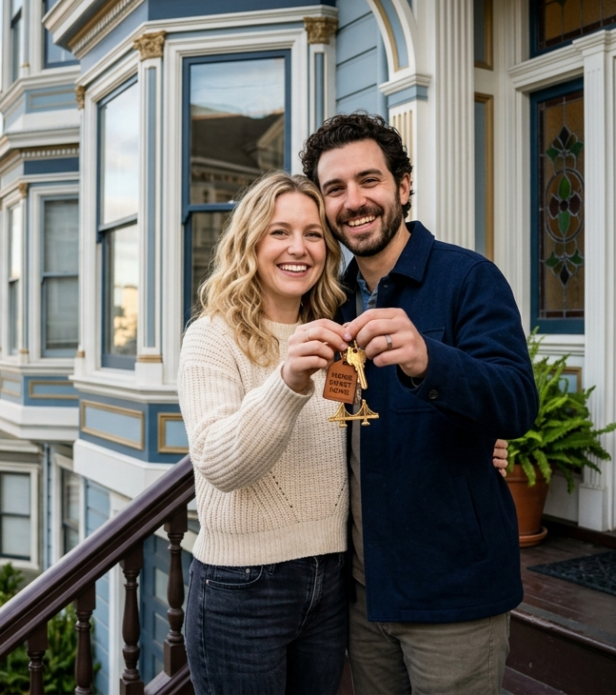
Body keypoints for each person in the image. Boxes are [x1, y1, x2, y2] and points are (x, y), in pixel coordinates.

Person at [177, 171, 511, 695]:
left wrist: (479, 439)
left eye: (313, 233)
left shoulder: (342, 325)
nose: (299, 248)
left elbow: (359, 427)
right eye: (278, 231)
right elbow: (219, 464)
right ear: (250, 242)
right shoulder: (211, 337)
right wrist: (287, 382)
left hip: (333, 581)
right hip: (242, 588)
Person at [299, 112, 539, 694]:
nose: (354, 201)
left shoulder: (468, 278)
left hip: (454, 597)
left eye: (369, 180)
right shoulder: (330, 301)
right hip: (364, 595)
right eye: (335, 189)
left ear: (404, 186)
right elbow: (338, 420)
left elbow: (515, 402)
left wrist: (429, 360)